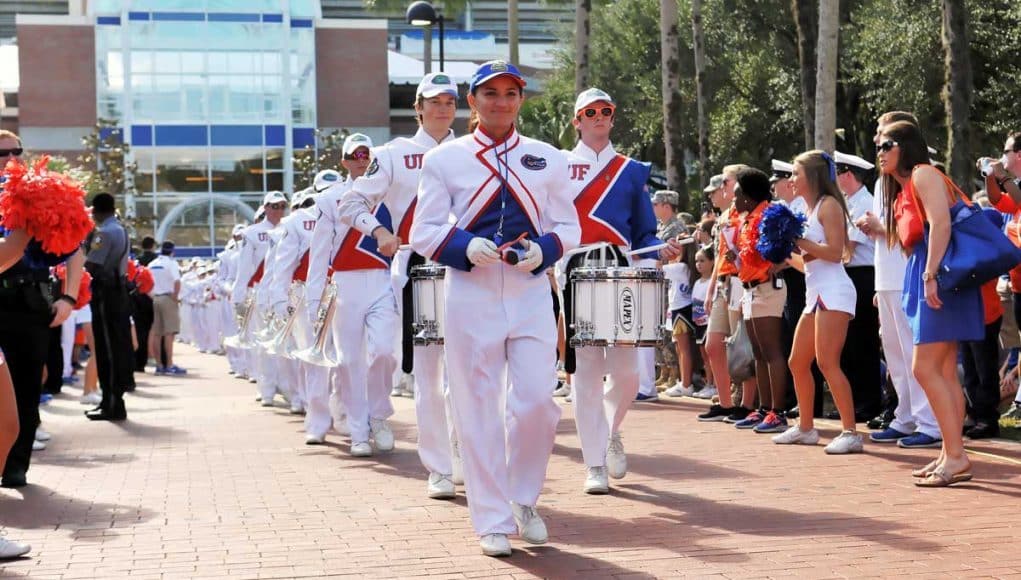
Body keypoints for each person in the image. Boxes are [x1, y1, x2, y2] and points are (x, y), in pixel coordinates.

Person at [410, 60, 580, 557]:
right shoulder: (445, 160)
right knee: (476, 405)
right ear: (473, 101)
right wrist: (465, 247)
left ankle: (524, 499)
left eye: (510, 93)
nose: (500, 102)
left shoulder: (546, 158)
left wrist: (543, 250)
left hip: (529, 293)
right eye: (490, 94)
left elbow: (567, 227)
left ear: (521, 100)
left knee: (536, 404)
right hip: (471, 292)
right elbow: (424, 230)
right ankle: (489, 517)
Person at [337, 74, 461, 488]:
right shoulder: (392, 155)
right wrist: (379, 233)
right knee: (429, 374)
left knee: (473, 371)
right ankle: (440, 467)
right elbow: (351, 202)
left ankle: (465, 452)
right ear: (418, 107)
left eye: (449, 101)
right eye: (434, 101)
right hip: (418, 270)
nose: (443, 108)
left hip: (471, 269)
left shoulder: (473, 152)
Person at [560, 87, 684, 495]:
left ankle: (610, 431)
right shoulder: (557, 166)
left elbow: (644, 232)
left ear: (613, 117)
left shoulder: (631, 170)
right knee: (586, 373)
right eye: (590, 112)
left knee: (629, 374)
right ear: (577, 120)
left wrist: (654, 258)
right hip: (576, 268)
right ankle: (594, 462)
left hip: (620, 269)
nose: (598, 116)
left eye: (605, 111)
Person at [877, 122, 984, 485]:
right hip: (929, 272)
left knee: (925, 368)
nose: (879, 151)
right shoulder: (905, 185)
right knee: (940, 370)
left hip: (937, 274)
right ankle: (951, 454)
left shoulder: (924, 174)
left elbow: (941, 224)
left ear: (905, 146)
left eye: (886, 144)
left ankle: (955, 455)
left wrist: (931, 274)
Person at [0, 131, 84, 487]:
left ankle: (15, 466)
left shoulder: (39, 193)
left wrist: (68, 298)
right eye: (1, 152)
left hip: (31, 300)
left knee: (28, 384)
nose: (8, 157)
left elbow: (74, 247)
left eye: (15, 151)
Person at [856, 111, 942, 449]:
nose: (878, 139)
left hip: (910, 273)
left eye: (885, 134)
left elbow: (919, 230)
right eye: (878, 133)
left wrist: (879, 228)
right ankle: (904, 417)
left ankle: (930, 423)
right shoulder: (883, 180)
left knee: (914, 353)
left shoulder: (921, 174)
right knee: (895, 354)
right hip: (887, 277)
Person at [772, 150, 861, 453]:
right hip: (816, 292)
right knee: (798, 361)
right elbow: (809, 261)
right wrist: (784, 256)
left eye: (796, 174)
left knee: (827, 362)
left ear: (812, 176)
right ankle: (806, 428)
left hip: (834, 291)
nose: (791, 180)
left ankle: (850, 432)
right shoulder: (810, 211)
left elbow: (837, 253)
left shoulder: (830, 205)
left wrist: (799, 242)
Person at [698, 168, 758, 421]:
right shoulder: (725, 215)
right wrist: (711, 288)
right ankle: (725, 402)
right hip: (723, 281)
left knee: (740, 345)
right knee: (713, 345)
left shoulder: (747, 211)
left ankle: (746, 404)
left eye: (726, 180)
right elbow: (722, 253)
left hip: (739, 282)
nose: (722, 185)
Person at [733, 167, 789, 433]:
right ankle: (764, 408)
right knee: (758, 352)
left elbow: (790, 246)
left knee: (771, 351)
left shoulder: (769, 214)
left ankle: (778, 412)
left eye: (737, 194)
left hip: (767, 288)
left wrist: (776, 265)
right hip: (749, 288)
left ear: (748, 196)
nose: (734, 200)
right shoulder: (747, 217)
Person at [835, 151, 883, 422]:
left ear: (848, 175)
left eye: (838, 174)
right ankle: (854, 401)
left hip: (862, 275)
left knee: (863, 342)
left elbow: (848, 249)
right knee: (849, 343)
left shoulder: (864, 202)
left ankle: (868, 402)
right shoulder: (849, 202)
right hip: (849, 274)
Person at [83, 193, 132, 422]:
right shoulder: (120, 228)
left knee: (107, 349)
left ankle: (112, 403)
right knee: (116, 346)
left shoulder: (103, 232)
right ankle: (111, 401)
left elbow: (92, 264)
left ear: (97, 210)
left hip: (105, 292)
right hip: (117, 291)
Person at [647, 189, 686, 396]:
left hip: (671, 284)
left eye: (656, 204)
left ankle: (674, 373)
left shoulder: (676, 227)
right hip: (659, 282)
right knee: (659, 327)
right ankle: (664, 370)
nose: (653, 208)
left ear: (666, 205)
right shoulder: (661, 227)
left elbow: (672, 256)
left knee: (668, 329)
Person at [148, 242, 185, 375]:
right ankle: (169, 364)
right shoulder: (171, 263)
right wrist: (175, 297)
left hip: (155, 298)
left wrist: (153, 296)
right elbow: (177, 281)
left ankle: (159, 365)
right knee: (169, 333)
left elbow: (146, 282)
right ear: (172, 251)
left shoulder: (152, 264)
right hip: (168, 298)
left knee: (157, 333)